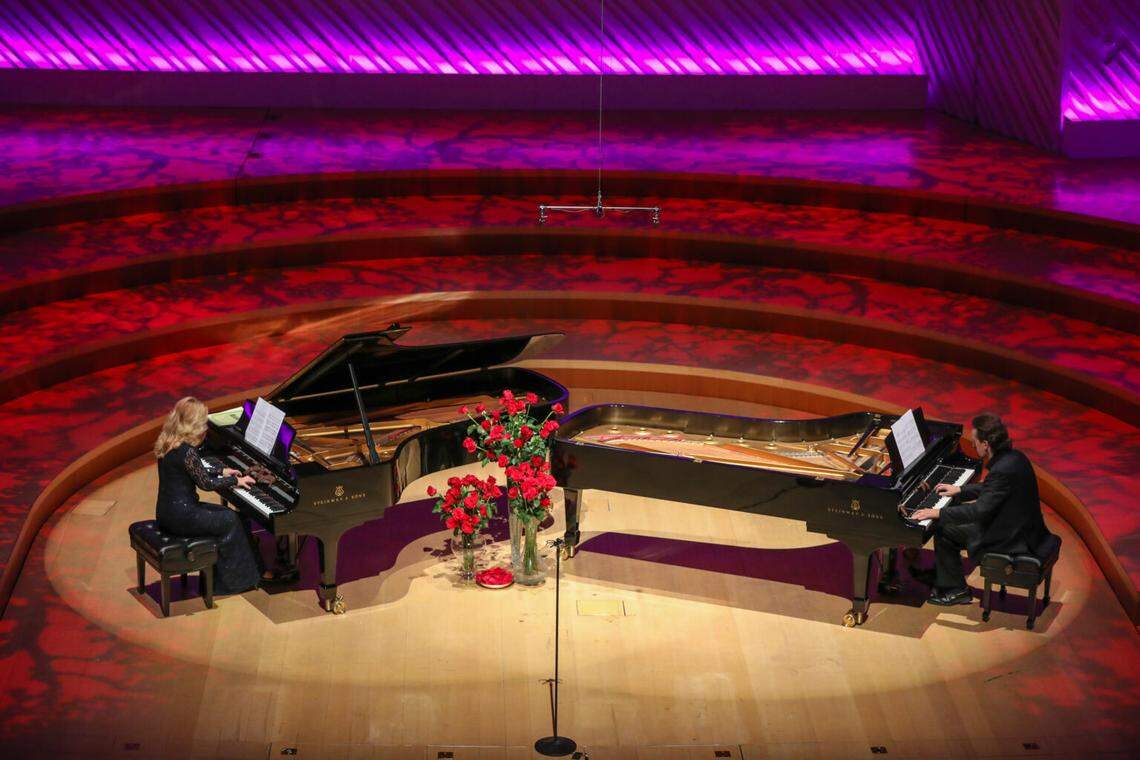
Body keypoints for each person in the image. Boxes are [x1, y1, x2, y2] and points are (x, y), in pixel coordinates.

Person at [910, 413, 1049, 606]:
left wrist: (937, 512)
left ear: (986, 444)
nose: (973, 444)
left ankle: (956, 590)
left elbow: (978, 511)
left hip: (1012, 536)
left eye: (975, 441)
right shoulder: (1014, 457)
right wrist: (960, 490)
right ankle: (944, 574)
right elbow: (992, 488)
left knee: (943, 529)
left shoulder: (1001, 469)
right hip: (1020, 524)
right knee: (953, 513)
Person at [154, 397, 267, 595]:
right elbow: (205, 484)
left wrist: (221, 471)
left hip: (167, 513)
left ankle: (250, 573)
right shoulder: (187, 452)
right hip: (184, 517)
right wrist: (235, 481)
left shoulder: (168, 442)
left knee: (234, 517)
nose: (205, 426)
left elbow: (191, 472)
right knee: (231, 519)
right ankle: (232, 583)